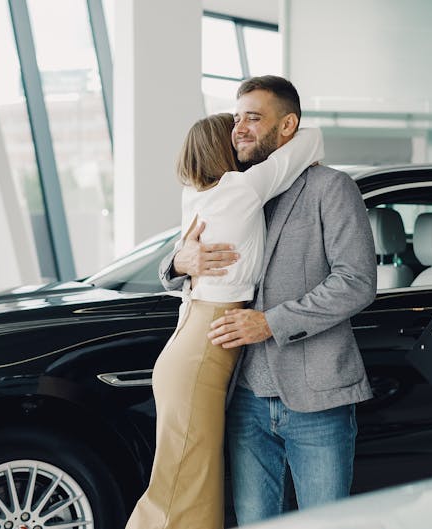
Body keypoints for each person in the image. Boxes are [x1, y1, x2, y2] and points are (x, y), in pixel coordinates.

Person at [159, 75, 376, 524]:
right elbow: (185, 256)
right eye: (236, 117)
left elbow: (356, 281)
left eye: (253, 118)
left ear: (287, 126)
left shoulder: (330, 188)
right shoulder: (232, 186)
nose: (239, 127)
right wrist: (179, 262)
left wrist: (271, 322)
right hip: (246, 396)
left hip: (317, 398)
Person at [126, 113, 323, 528]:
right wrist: (271, 131)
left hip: (191, 341)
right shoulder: (240, 188)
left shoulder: (195, 195)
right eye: (234, 134)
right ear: (224, 148)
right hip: (202, 352)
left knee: (185, 479)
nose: (242, 137)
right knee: (184, 484)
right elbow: (311, 139)